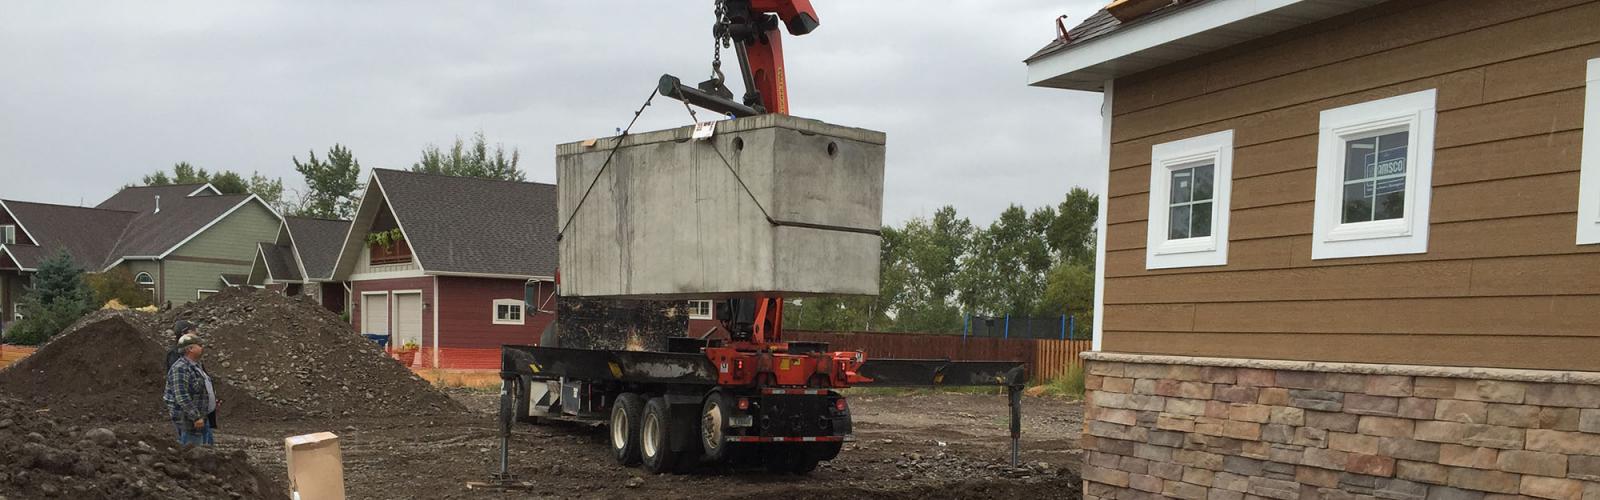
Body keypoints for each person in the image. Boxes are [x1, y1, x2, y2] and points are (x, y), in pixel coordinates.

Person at [164, 333, 216, 446]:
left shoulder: (196, 365)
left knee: (205, 451)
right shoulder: (180, 368)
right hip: (189, 420)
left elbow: (199, 388)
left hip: (202, 417)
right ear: (190, 349)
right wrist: (195, 417)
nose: (202, 348)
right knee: (193, 452)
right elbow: (181, 396)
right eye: (199, 345)